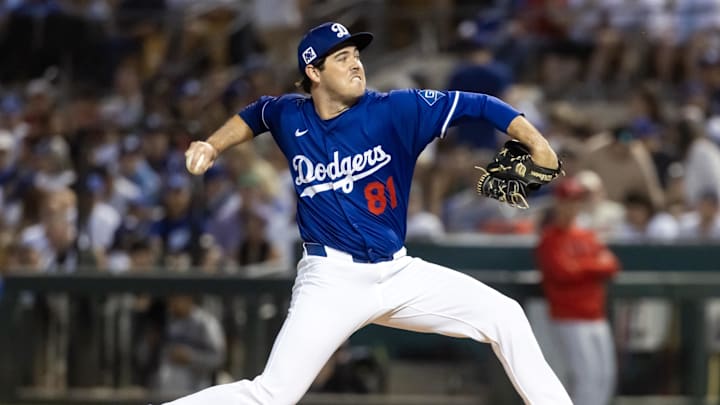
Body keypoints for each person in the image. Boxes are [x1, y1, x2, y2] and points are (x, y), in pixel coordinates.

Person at [172, 21, 571, 405]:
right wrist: (212, 145)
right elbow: (255, 115)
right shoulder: (289, 115)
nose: (355, 63)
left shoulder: (396, 110)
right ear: (313, 71)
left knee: (506, 315)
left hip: (398, 273)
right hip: (331, 282)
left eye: (355, 55)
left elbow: (478, 104)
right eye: (341, 57)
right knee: (273, 394)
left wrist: (536, 141)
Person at [536, 177, 620, 405]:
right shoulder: (550, 239)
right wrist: (592, 265)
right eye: (566, 201)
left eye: (575, 201)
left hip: (596, 316)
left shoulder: (587, 235)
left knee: (605, 378)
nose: (571, 206)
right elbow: (564, 272)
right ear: (558, 203)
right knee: (585, 380)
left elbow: (611, 265)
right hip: (569, 318)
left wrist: (581, 265)